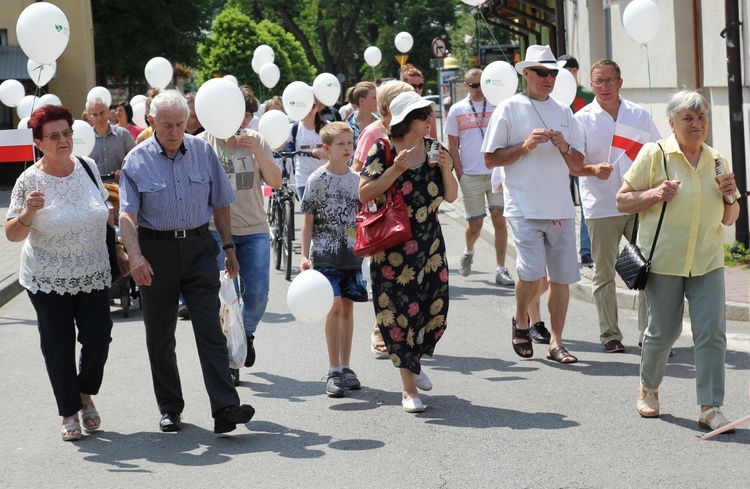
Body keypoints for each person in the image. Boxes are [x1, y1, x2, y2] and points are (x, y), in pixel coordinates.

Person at [118, 90, 255, 434]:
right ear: (151, 122)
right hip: (156, 252)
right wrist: (135, 257)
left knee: (210, 330)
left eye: (181, 124)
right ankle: (170, 408)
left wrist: (229, 248)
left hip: (198, 247)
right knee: (160, 336)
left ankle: (225, 408)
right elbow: (127, 216)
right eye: (167, 125)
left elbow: (221, 202)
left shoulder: (203, 152)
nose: (175, 131)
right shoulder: (136, 160)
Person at [616, 89, 740, 432]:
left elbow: (731, 218)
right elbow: (622, 201)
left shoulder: (717, 159)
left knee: (712, 333)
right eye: (688, 118)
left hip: (707, 259)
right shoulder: (654, 154)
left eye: (701, 117)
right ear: (671, 123)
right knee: (664, 330)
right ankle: (649, 388)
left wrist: (731, 195)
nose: (696, 124)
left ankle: (710, 407)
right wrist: (655, 193)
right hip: (664, 260)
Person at [5, 105, 129, 441]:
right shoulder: (28, 180)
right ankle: (69, 411)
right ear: (38, 142)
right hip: (46, 277)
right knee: (58, 346)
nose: (63, 140)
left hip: (93, 270)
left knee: (99, 336)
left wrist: (118, 248)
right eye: (54, 135)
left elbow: (106, 214)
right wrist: (28, 211)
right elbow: (13, 234)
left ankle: (85, 393)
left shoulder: (88, 168)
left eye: (67, 133)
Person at [482, 45, 585, 364]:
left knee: (562, 279)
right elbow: (489, 158)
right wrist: (526, 146)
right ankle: (521, 320)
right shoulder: (509, 108)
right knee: (529, 273)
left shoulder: (565, 111)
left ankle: (556, 342)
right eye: (542, 72)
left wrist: (565, 146)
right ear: (526, 73)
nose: (549, 78)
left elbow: (578, 165)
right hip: (524, 206)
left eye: (553, 73)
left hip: (562, 209)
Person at [360, 91, 458, 413]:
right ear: (407, 121)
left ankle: (413, 364)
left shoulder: (434, 149)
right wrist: (395, 171)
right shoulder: (384, 149)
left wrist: (446, 169)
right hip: (394, 250)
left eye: (429, 114)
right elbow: (364, 192)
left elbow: (452, 196)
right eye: (423, 116)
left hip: (429, 244)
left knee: (432, 308)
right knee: (401, 315)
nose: (430, 120)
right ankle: (407, 390)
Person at [573, 59, 660, 353]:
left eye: (610, 80)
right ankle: (610, 334)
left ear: (620, 82)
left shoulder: (638, 115)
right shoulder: (582, 118)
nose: (604, 86)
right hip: (602, 205)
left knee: (650, 268)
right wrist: (593, 169)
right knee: (604, 272)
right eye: (598, 81)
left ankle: (650, 332)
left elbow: (657, 153)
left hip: (638, 202)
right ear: (591, 84)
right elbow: (574, 164)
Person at [200, 85, 282, 385]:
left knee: (258, 296)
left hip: (254, 230)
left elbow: (276, 181)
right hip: (213, 232)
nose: (243, 122)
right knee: (223, 299)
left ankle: (245, 335)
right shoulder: (201, 143)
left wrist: (257, 150)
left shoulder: (257, 140)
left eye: (246, 117)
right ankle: (229, 356)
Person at [300, 122, 368, 397]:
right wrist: (304, 254)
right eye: (341, 144)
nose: (347, 149)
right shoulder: (317, 179)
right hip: (324, 253)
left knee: (348, 309)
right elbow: (307, 220)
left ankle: (347, 365)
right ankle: (333, 369)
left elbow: (364, 218)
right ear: (326, 149)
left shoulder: (357, 180)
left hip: (351, 254)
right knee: (335, 307)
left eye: (350, 143)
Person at [351, 80, 414, 357]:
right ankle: (381, 326)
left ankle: (407, 332)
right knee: (384, 276)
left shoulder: (414, 130)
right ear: (389, 107)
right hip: (383, 215)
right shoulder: (373, 133)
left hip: (413, 216)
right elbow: (358, 171)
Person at [446, 68, 514, 287]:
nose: (478, 90)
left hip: (496, 172)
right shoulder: (457, 110)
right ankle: (469, 250)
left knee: (499, 219)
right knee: (475, 224)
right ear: (466, 86)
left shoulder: (498, 105)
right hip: (471, 174)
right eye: (474, 86)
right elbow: (453, 145)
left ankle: (501, 269)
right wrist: (460, 173)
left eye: (482, 85)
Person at [559, 54, 595, 267]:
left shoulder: (588, 94)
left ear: (574, 71)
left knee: (585, 203)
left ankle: (586, 250)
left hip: (582, 155)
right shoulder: (555, 94)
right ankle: (565, 249)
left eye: (566, 70)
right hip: (559, 156)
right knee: (562, 204)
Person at [283, 99, 327, 198]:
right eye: (306, 107)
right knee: (308, 210)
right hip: (303, 176)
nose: (309, 110)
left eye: (313, 106)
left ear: (317, 108)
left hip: (325, 175)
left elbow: (336, 153)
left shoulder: (326, 126)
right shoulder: (294, 128)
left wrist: (321, 154)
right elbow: (278, 147)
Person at [87, 98, 136, 180]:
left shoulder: (123, 135)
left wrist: (124, 171)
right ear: (89, 116)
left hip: (120, 189)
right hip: (94, 190)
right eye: (95, 115)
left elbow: (136, 160)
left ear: (108, 111)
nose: (99, 118)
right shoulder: (86, 139)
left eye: (102, 113)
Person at [400, 64, 438, 139]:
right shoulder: (399, 108)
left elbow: (434, 139)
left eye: (420, 86)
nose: (417, 90)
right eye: (413, 86)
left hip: (424, 149)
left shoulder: (428, 107)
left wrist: (434, 151)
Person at [345, 81, 380, 151]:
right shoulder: (348, 126)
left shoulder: (382, 123)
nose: (378, 100)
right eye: (374, 98)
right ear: (362, 100)